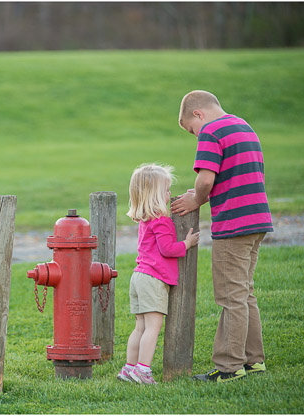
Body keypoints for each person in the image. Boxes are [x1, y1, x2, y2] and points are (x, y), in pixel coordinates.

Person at [171, 90, 273, 382]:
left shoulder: (212, 131)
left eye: (192, 129)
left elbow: (205, 178)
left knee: (230, 296)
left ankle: (229, 367)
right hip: (257, 219)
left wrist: (196, 200)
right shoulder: (244, 127)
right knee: (244, 292)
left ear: (198, 115)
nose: (196, 135)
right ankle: (254, 360)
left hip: (234, 222)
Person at [117, 163, 200, 385]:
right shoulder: (162, 221)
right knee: (153, 328)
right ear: (155, 195)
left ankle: (129, 368)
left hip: (139, 277)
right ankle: (143, 371)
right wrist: (187, 243)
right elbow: (167, 249)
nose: (169, 195)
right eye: (166, 191)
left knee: (140, 327)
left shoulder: (146, 219)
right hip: (153, 279)